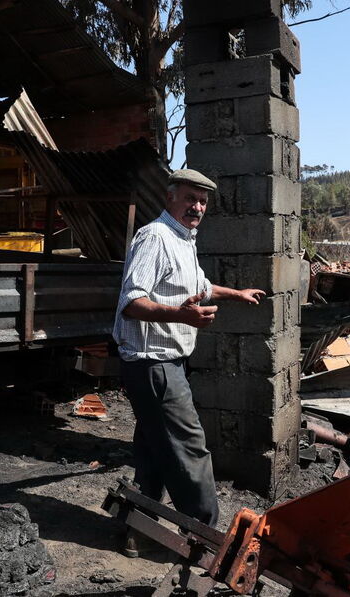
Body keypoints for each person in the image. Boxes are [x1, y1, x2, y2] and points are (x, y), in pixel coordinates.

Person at [112, 169, 265, 547]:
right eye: (190, 198)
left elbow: (200, 287)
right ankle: (206, 537)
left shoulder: (183, 239)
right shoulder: (155, 237)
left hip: (166, 362)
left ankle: (136, 529)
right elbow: (131, 302)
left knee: (154, 450)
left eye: (203, 201)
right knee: (190, 447)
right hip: (153, 363)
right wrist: (180, 316)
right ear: (170, 197)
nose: (197, 207)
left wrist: (237, 294)